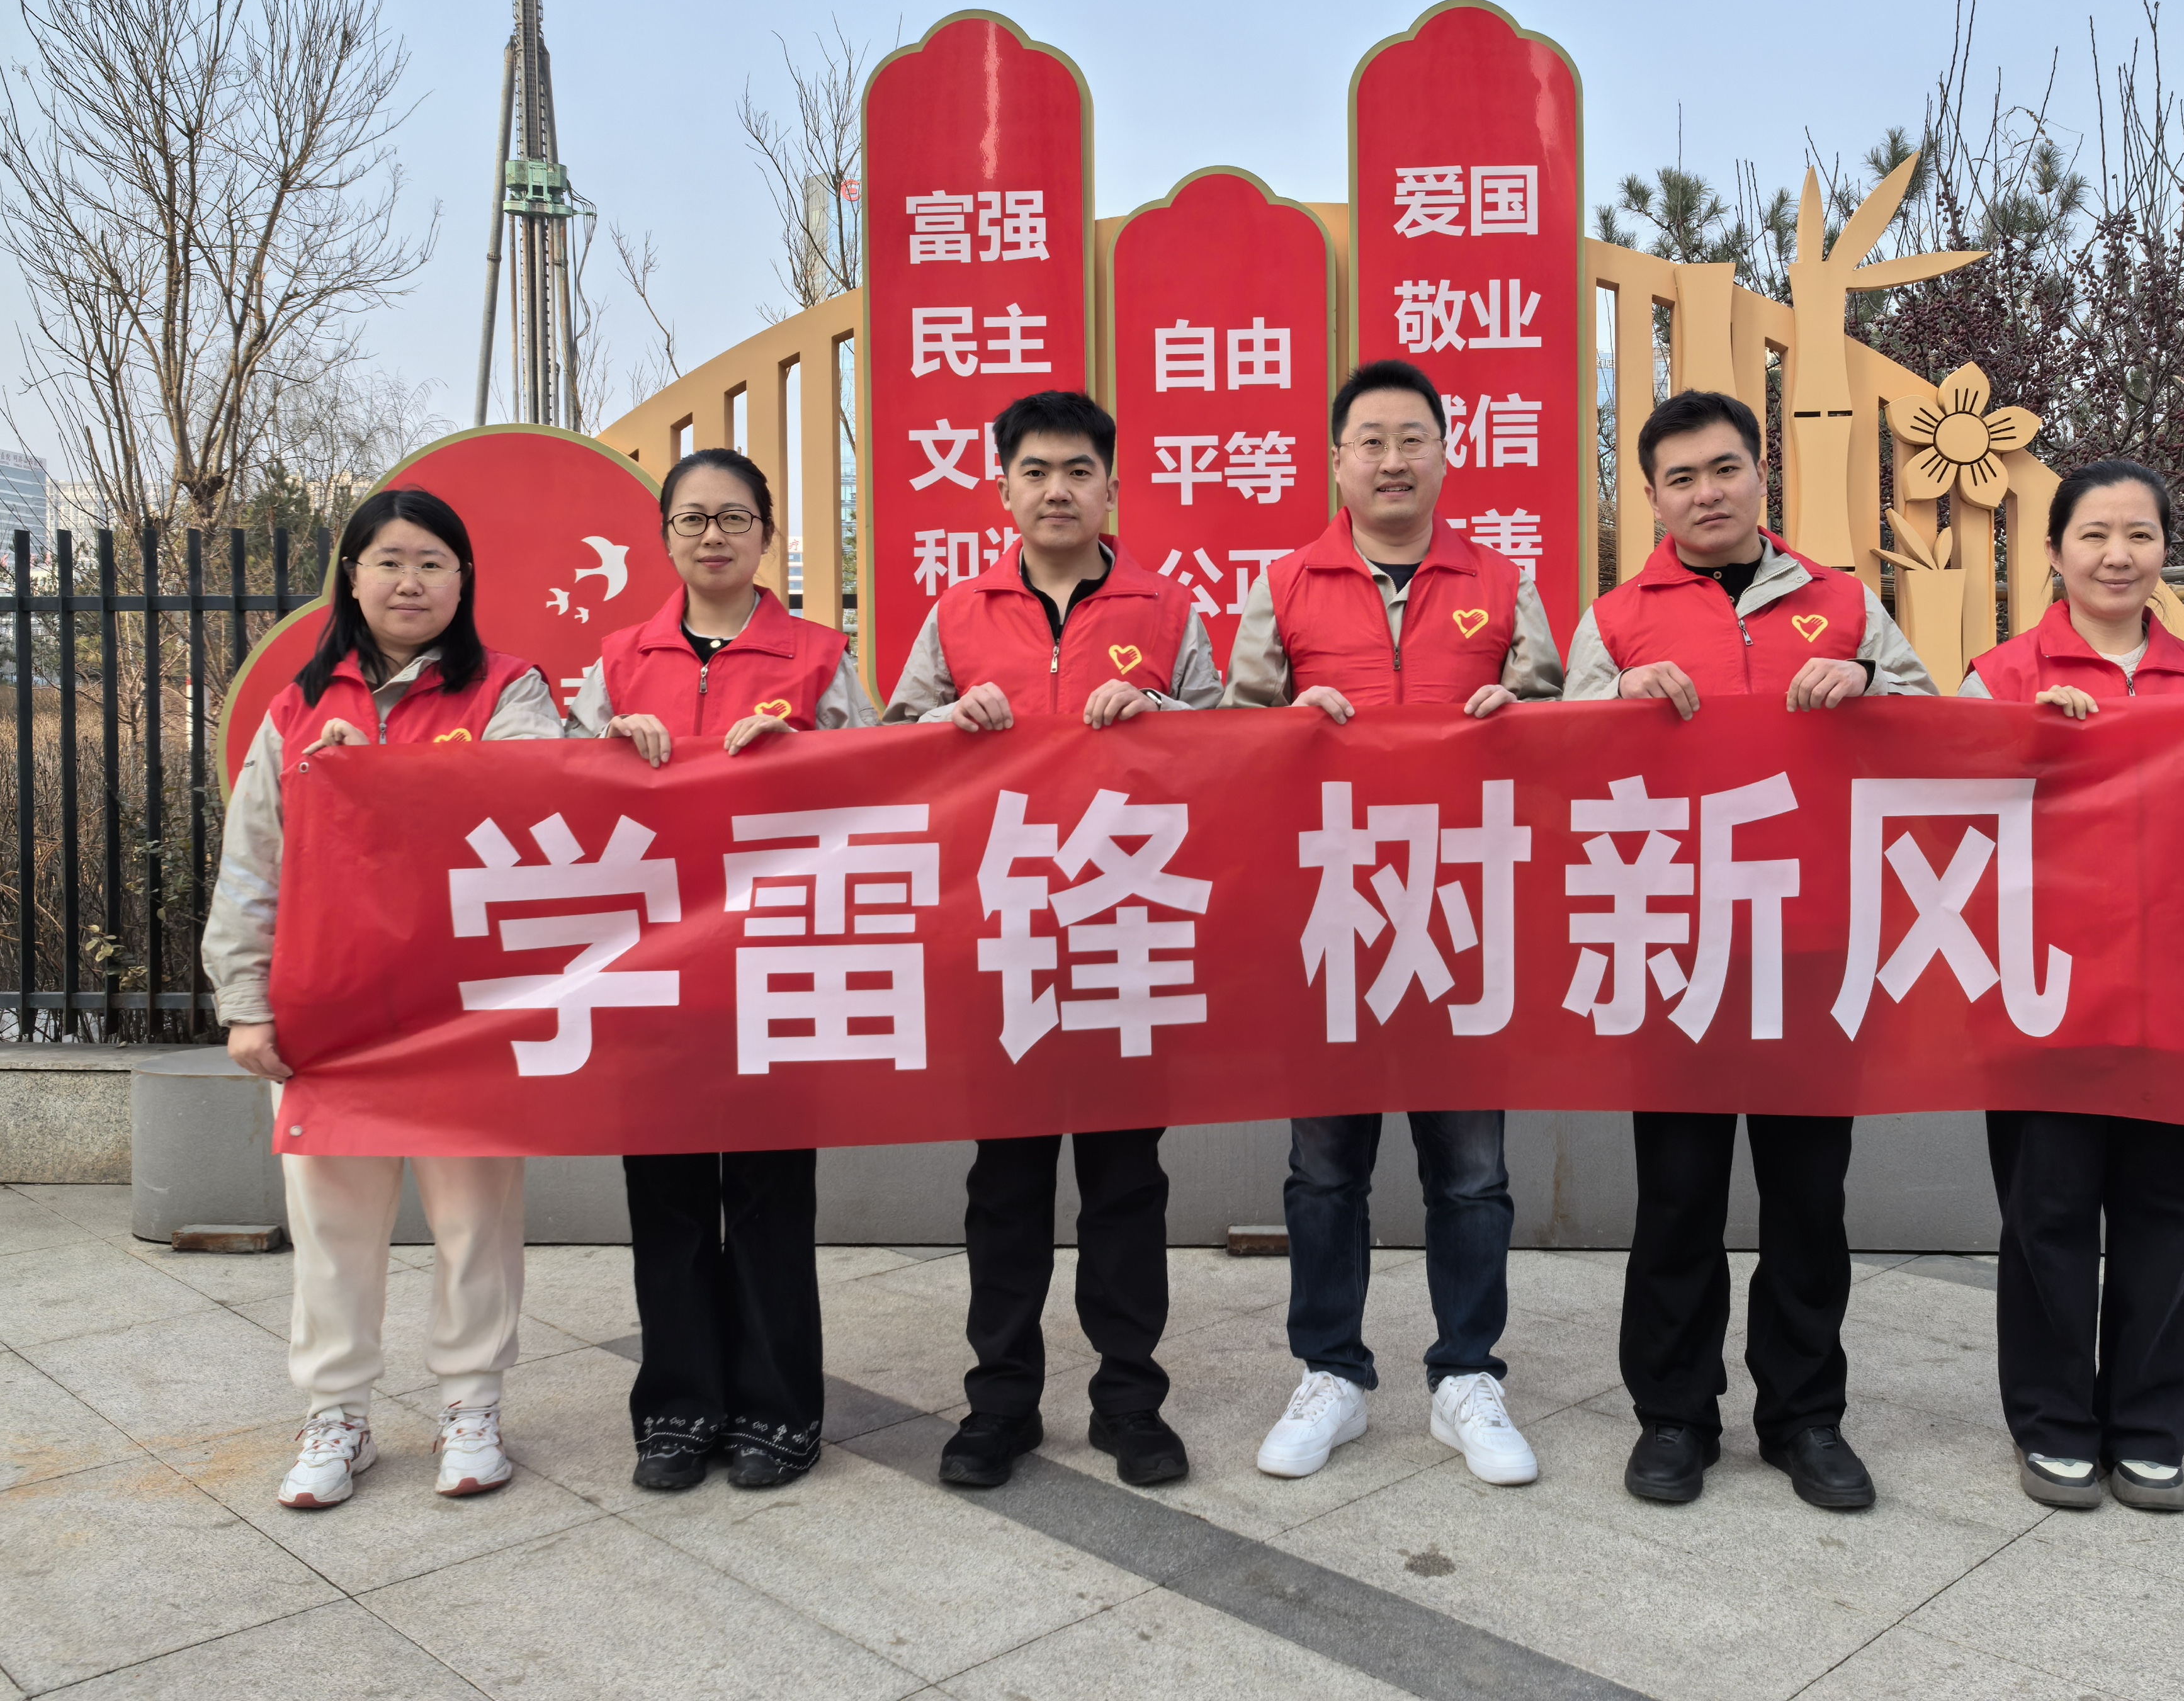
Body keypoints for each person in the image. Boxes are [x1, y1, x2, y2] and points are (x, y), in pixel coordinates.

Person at [1562, 389, 1936, 1513]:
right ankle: (1673, 1416)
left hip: (1812, 948)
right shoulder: (1615, 620)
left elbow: (1937, 730)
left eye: (1725, 469)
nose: (1707, 493)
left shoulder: (1845, 602)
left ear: (1760, 476)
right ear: (1652, 498)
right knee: (1676, 1199)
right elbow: (1556, 769)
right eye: (1680, 478)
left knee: (1808, 1200)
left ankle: (1805, 1417)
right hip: (1674, 948)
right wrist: (1615, 701)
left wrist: (1870, 684)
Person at [1223, 357, 1562, 1488]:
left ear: (1446, 454)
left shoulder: (1501, 583)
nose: (1393, 459)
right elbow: (1229, 738)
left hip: (1466, 911)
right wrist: (1287, 721)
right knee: (1325, 1167)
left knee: (1472, 1168)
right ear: (1337, 462)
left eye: (1414, 438)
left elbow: (1567, 725)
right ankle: (1333, 1374)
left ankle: (1468, 1377)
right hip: (1330, 911)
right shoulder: (1285, 585)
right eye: (1370, 440)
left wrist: (1525, 716)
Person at [883, 390, 1222, 1491]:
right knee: (1007, 1185)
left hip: (1128, 926)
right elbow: (890, 746)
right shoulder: (957, 614)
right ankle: (1001, 1405)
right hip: (1006, 932)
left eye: (1079, 471)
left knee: (1127, 1182)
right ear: (1003, 489)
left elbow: (1234, 747)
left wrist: (1168, 719)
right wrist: (944, 722)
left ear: (1112, 487)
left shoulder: (1167, 610)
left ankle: (1131, 1403)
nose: (1058, 490)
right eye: (1035, 471)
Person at [204, 489, 562, 1510]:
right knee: (332, 1223)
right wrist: (246, 999)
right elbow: (252, 864)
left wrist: (387, 777)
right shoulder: (296, 708)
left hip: (466, 1008)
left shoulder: (511, 689)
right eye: (389, 561)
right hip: (330, 1012)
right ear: (352, 578)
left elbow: (539, 799)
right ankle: (337, 1417)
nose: (411, 582)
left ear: (464, 581)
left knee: (475, 1217)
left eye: (433, 562)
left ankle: (472, 1407)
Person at [1961, 458, 2184, 1513]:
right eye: (2095, 535)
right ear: (2054, 552)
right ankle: (2055, 1425)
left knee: (2167, 1219)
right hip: (2047, 1002)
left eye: (2140, 535)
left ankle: (2151, 1429)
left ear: (2164, 551)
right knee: (2048, 1218)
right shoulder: (1999, 678)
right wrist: (2022, 748)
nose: (2118, 556)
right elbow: (1950, 833)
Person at [569, 446, 879, 1493]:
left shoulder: (822, 659)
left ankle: (779, 1411)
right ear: (665, 538)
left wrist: (806, 756)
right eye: (693, 518)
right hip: (651, 968)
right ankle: (677, 1408)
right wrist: (607, 749)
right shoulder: (617, 664)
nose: (714, 536)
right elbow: (555, 797)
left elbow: (884, 787)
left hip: (774, 963)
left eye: (735, 517)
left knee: (768, 1196)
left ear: (767, 535)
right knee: (664, 1198)